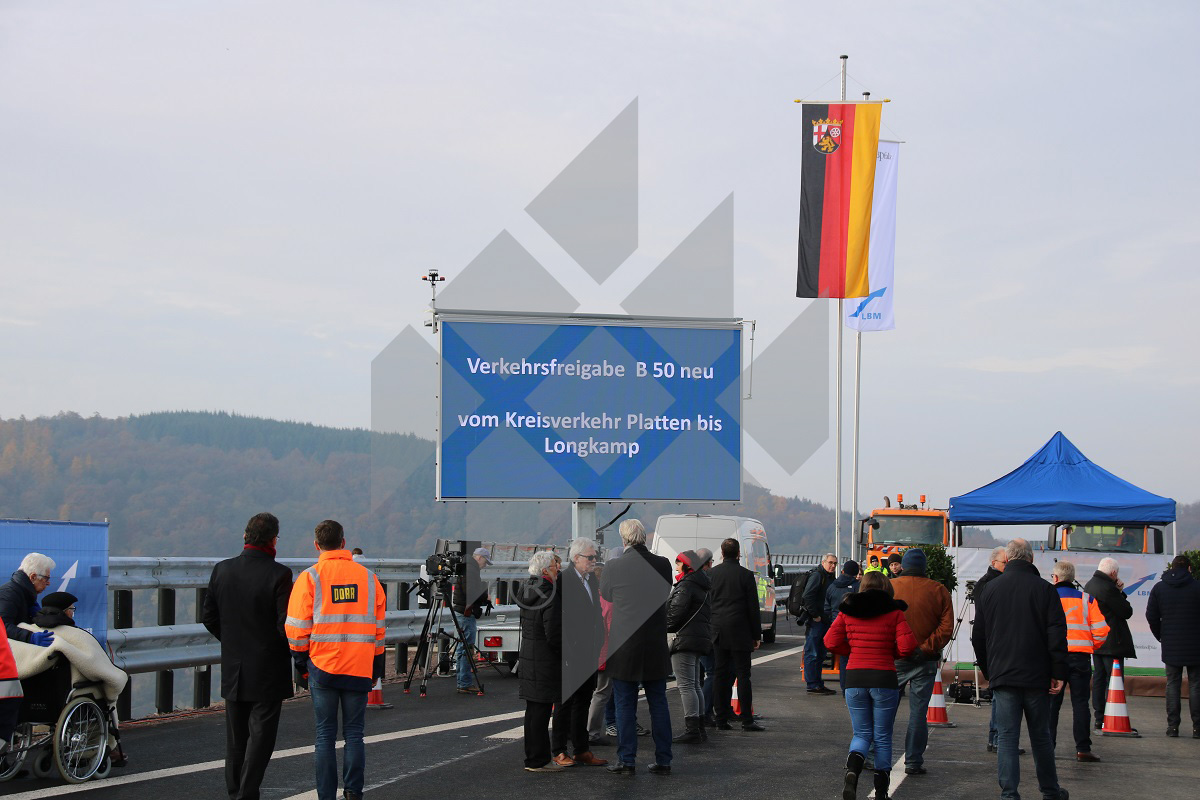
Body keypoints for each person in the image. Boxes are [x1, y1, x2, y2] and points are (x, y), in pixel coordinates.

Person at [286, 520, 386, 800]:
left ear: (317, 545)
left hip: (323, 667)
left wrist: (301, 663)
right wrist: (376, 666)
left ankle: (326, 795)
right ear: (343, 543)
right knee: (354, 734)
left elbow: (296, 628)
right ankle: (353, 792)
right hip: (359, 666)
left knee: (325, 736)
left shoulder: (310, 577)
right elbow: (379, 629)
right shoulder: (369, 578)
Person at [203, 512, 295, 800]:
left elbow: (209, 617)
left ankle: (236, 793)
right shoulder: (280, 574)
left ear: (245, 536)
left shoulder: (222, 570)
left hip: (233, 666)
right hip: (268, 668)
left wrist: (232, 642)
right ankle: (247, 793)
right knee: (261, 738)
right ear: (273, 540)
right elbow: (284, 625)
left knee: (236, 739)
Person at [972, 538, 1069, 800]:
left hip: (1003, 675)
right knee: (1041, 737)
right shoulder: (1045, 589)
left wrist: (990, 671)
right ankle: (1050, 791)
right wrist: (1058, 672)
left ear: (1008, 558)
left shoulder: (990, 589)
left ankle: (1009, 794)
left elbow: (978, 636)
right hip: (1037, 675)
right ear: (1031, 558)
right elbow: (1057, 635)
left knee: (1006, 738)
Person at [825, 571, 917, 800]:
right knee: (883, 737)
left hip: (855, 677)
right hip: (884, 678)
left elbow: (830, 641)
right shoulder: (894, 612)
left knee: (861, 733)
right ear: (887, 588)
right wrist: (890, 653)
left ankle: (852, 770)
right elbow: (907, 647)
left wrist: (852, 651)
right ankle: (881, 792)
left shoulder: (848, 610)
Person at [599, 518, 673, 775]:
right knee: (658, 703)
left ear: (624, 539)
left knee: (624, 704)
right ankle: (664, 759)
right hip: (654, 644)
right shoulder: (663, 564)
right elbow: (665, 592)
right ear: (643, 537)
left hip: (624, 645)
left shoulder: (614, 566)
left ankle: (626, 760)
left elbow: (606, 594)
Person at [889, 548, 953, 776]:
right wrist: (925, 647)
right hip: (925, 660)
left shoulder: (890, 587)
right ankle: (913, 761)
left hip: (894, 658)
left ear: (903, 566)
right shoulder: (939, 590)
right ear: (924, 567)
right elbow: (946, 627)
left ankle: (875, 755)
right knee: (918, 713)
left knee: (885, 709)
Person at [551, 538, 607, 767]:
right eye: (590, 557)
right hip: (571, 651)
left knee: (584, 700)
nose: (594, 561)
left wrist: (599, 639)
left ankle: (582, 749)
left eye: (595, 557)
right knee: (565, 701)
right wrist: (567, 647)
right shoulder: (564, 580)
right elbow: (559, 618)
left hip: (589, 649)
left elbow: (595, 612)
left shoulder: (590, 579)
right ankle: (559, 750)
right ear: (576, 558)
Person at [1048, 561, 1105, 762]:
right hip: (1080, 657)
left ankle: (1048, 748)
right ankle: (1083, 749)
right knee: (1080, 703)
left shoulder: (1047, 597)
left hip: (1054, 658)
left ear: (1055, 578)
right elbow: (1101, 630)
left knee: (1051, 704)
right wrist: (1090, 645)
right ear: (1072, 578)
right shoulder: (1087, 599)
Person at [709, 537, 766, 731]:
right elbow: (753, 607)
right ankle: (747, 720)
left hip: (718, 630)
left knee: (720, 674)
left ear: (722, 553)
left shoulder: (712, 574)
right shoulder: (746, 575)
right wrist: (756, 634)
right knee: (743, 675)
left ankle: (720, 719)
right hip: (740, 630)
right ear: (738, 553)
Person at [516, 550, 564, 772]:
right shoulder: (549, 594)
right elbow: (553, 633)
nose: (558, 570)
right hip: (545, 658)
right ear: (545, 571)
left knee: (534, 710)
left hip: (529, 653)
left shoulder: (527, 589)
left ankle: (534, 757)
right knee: (542, 711)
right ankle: (539, 760)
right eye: (554, 566)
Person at [1146, 555, 1200, 738]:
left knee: (1172, 684)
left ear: (1172, 568)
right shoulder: (1197, 587)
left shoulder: (1159, 588)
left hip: (1171, 643)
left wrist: (1161, 635)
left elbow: (1151, 615)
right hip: (1195, 644)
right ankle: (1197, 728)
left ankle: (1173, 727)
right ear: (1189, 568)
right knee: (1196, 685)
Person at [1083, 557, 1135, 730]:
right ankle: (1112, 717)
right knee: (1114, 682)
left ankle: (1099, 717)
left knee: (1098, 679)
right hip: (1113, 642)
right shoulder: (1108, 588)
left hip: (1096, 640)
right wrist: (1120, 592)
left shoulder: (1090, 585)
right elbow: (1126, 611)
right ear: (1113, 573)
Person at [667, 549, 713, 744]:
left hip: (683, 639)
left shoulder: (686, 585)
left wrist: (664, 627)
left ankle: (692, 729)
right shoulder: (702, 584)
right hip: (698, 638)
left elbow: (675, 613)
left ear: (686, 565)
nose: (676, 567)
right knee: (694, 685)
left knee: (686, 685)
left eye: (678, 563)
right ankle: (699, 727)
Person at [975, 546, 1008, 753]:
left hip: (995, 646)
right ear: (994, 562)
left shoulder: (991, 582)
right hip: (993, 645)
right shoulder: (988, 584)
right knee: (999, 697)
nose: (1008, 566)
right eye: (1005, 562)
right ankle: (996, 739)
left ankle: (997, 738)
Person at [451, 546, 493, 694]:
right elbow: (471, 592)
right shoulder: (471, 569)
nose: (485, 565)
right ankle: (465, 682)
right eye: (485, 562)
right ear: (479, 558)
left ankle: (462, 681)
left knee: (463, 648)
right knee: (466, 648)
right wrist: (485, 596)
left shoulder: (466, 567)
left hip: (461, 610)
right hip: (465, 612)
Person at [0, 552, 57, 647]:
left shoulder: (25, 594)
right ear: (33, 577)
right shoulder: (9, 594)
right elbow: (2, 626)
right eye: (46, 578)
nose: (48, 583)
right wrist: (30, 637)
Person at [802, 553, 838, 695]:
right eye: (830, 562)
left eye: (835, 563)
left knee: (821, 653)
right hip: (816, 621)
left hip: (824, 620)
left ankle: (818, 683)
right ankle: (812, 684)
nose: (833, 566)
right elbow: (807, 596)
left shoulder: (829, 577)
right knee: (812, 652)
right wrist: (815, 615)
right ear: (823, 562)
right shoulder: (818, 576)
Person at [825, 560, 861, 692]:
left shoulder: (832, 586)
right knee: (856, 658)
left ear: (843, 571)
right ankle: (854, 688)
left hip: (837, 626)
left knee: (844, 658)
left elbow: (826, 608)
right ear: (856, 573)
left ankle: (844, 688)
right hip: (854, 628)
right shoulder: (858, 587)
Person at [694, 547, 718, 724]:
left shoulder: (689, 579)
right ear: (709, 562)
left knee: (697, 677)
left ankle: (697, 712)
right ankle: (705, 712)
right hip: (707, 632)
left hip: (692, 634)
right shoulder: (709, 580)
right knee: (712, 672)